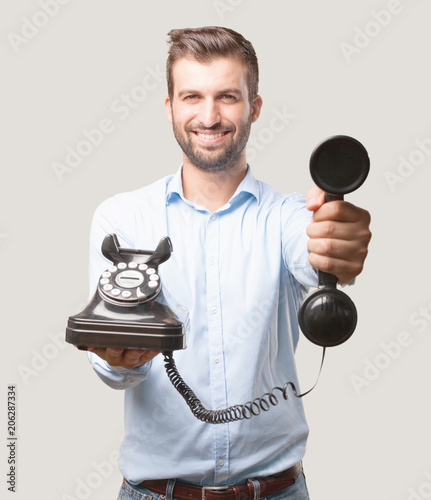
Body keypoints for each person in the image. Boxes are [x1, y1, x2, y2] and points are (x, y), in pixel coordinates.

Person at [86, 26, 371, 500]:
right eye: (192, 96)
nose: (209, 115)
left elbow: (324, 256)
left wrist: (339, 241)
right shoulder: (121, 218)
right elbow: (114, 371)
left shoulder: (290, 218)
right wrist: (121, 357)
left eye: (228, 97)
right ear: (170, 107)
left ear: (254, 107)